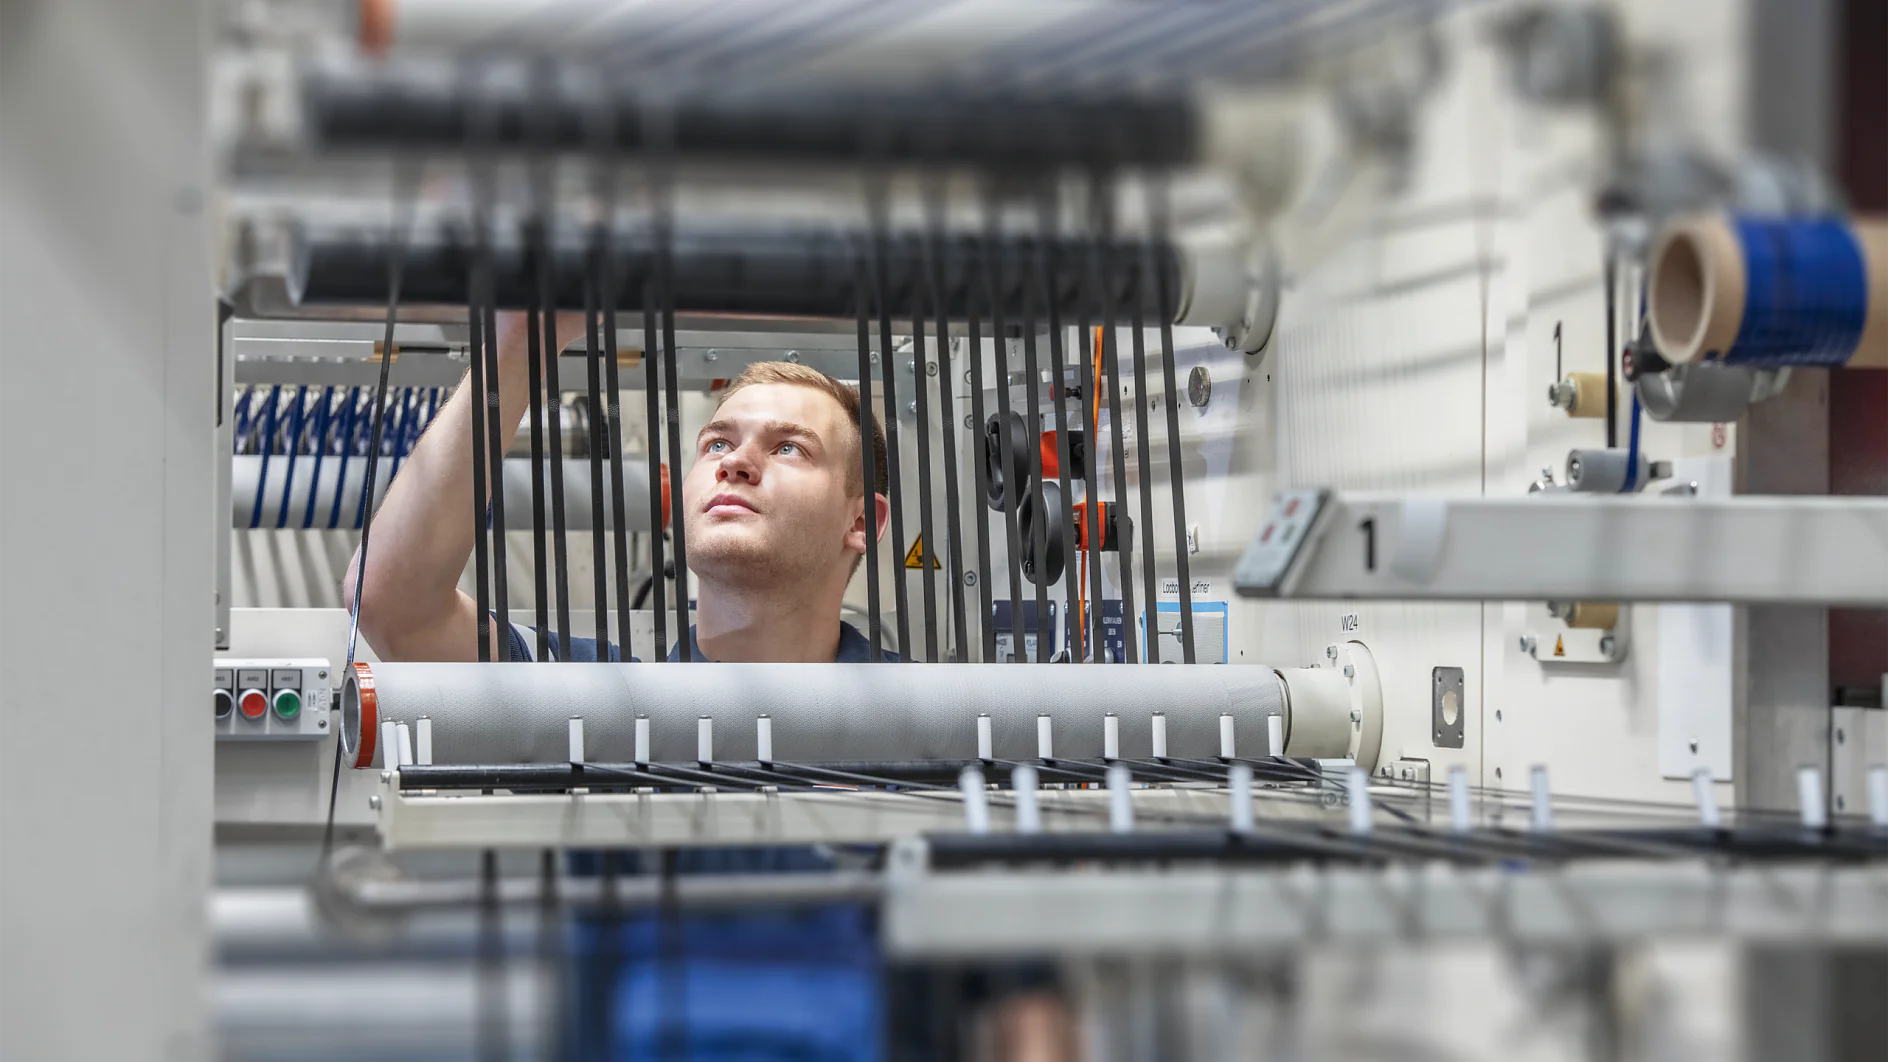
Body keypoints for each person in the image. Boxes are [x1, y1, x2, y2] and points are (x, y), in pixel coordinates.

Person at [345, 311, 894, 664]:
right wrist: (523, 334)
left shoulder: (943, 718)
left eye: (789, 448)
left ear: (861, 521)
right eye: (717, 444)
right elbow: (392, 604)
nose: (736, 463)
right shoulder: (597, 704)